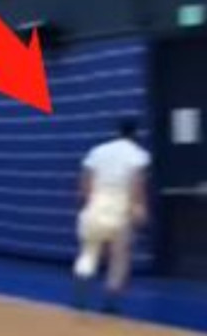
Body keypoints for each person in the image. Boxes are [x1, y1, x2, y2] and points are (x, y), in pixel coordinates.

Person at [73, 118, 150, 312]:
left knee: (89, 251)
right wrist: (139, 207)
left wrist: (87, 202)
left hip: (96, 203)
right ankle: (110, 301)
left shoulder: (97, 151)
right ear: (135, 134)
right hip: (120, 206)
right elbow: (137, 184)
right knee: (119, 257)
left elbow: (85, 180)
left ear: (117, 132)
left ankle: (80, 293)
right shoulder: (139, 155)